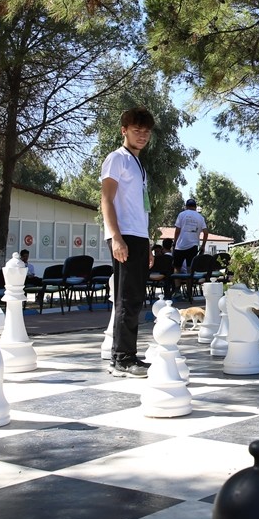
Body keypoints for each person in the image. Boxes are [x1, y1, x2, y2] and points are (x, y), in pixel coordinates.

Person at [100, 107, 154, 378]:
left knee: (135, 298)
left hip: (139, 236)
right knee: (126, 298)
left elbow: (139, 206)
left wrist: (149, 243)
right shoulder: (117, 159)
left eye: (146, 132)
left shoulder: (138, 163)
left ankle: (127, 354)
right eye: (136, 130)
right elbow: (106, 200)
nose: (142, 136)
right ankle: (121, 358)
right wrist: (116, 237)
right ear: (124, 130)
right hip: (124, 236)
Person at [172, 198, 208, 275]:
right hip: (193, 246)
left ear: (186, 206)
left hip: (180, 246)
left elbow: (177, 230)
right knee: (190, 269)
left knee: (177, 267)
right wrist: (203, 246)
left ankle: (177, 286)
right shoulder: (200, 217)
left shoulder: (181, 214)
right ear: (195, 207)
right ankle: (189, 286)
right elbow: (206, 232)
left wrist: (174, 242)